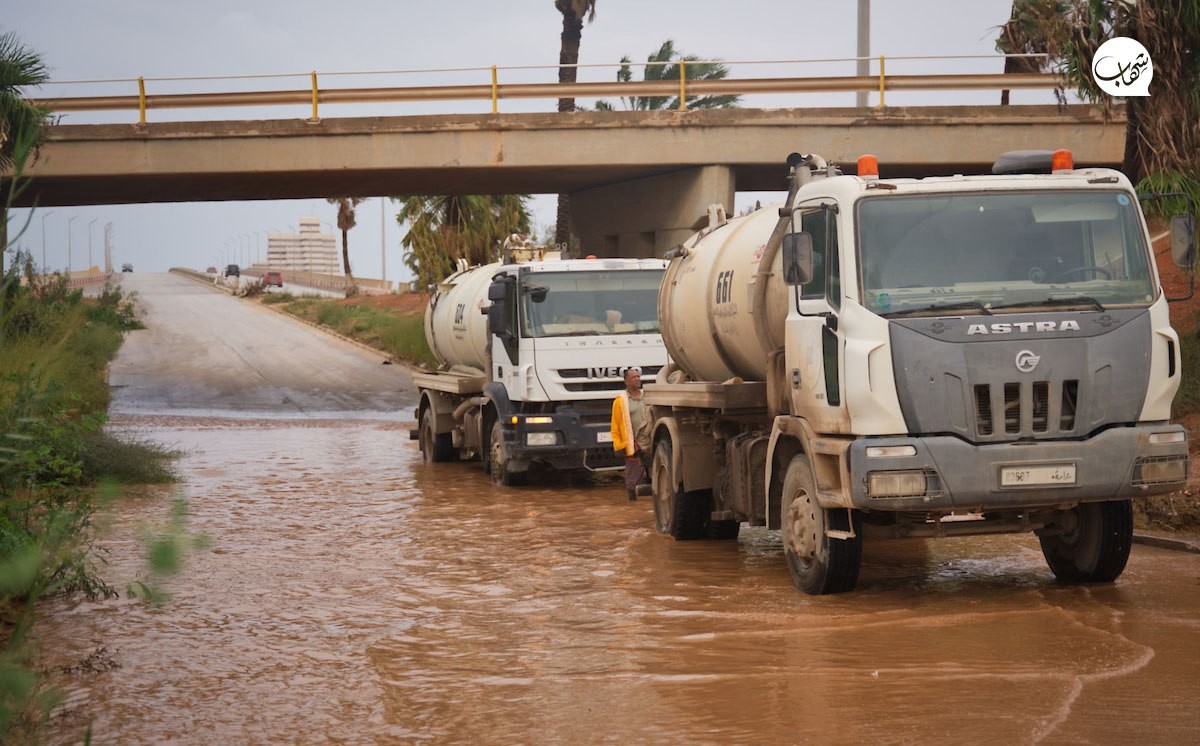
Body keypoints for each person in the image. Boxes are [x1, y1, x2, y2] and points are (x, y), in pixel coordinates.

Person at [611, 367, 651, 501]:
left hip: (649, 441)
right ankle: (632, 501)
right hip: (632, 444)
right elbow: (615, 426)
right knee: (632, 478)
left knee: (654, 473)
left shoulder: (647, 397)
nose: (637, 379)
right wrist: (618, 445)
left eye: (638, 376)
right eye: (634, 377)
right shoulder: (620, 401)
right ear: (626, 381)